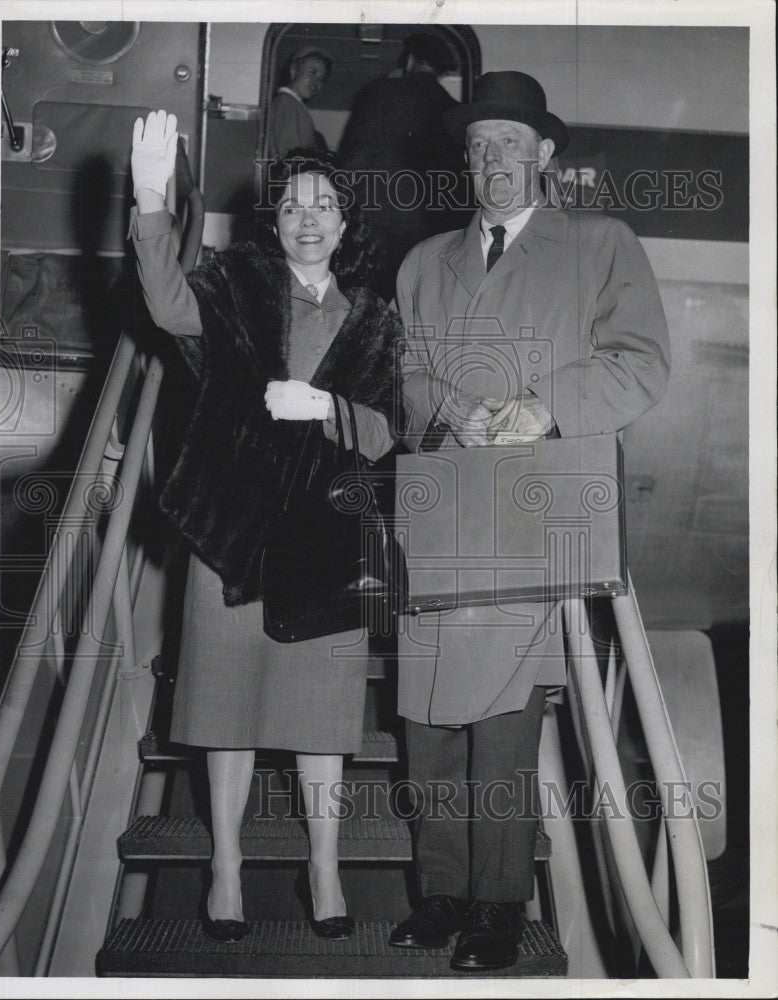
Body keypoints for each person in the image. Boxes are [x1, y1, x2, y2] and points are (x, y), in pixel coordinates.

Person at [389, 72, 670, 971]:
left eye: (510, 143)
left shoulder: (599, 243)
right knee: (425, 719)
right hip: (438, 504)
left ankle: (497, 906)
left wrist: (544, 405)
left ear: (545, 154)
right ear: (464, 162)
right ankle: (437, 895)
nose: (493, 162)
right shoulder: (422, 262)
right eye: (478, 147)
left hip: (533, 508)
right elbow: (394, 372)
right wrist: (442, 411)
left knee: (504, 721)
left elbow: (640, 361)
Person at [129, 111, 402, 943]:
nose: (308, 219)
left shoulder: (374, 317)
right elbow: (167, 304)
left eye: (324, 205)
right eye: (291, 207)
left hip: (326, 540)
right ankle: (225, 870)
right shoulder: (232, 285)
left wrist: (328, 407)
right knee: (225, 709)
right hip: (232, 534)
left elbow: (390, 425)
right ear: (274, 221)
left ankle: (323, 869)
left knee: (322, 718)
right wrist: (149, 198)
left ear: (346, 222)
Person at [337, 32, 471, 301]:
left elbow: (350, 168)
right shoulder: (455, 113)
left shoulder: (375, 95)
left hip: (373, 238)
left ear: (409, 60)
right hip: (430, 247)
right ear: (440, 71)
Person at [267, 47, 333, 159]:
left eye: (321, 78)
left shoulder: (292, 104)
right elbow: (290, 158)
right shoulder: (287, 102)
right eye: (312, 72)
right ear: (293, 70)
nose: (316, 82)